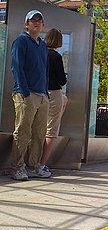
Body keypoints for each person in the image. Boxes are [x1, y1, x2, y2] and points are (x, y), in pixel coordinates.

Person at [10, 10, 51, 180]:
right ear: (26, 24)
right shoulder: (21, 41)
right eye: (32, 20)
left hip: (42, 95)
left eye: (39, 20)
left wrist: (46, 93)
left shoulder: (42, 45)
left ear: (43, 25)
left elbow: (45, 70)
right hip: (25, 94)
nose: (36, 23)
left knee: (39, 133)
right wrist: (25, 92)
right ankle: (17, 168)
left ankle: (34, 166)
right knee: (23, 132)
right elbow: (16, 68)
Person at [40, 28, 68, 173]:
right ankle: (41, 165)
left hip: (39, 93)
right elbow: (62, 80)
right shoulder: (55, 56)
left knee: (39, 128)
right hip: (53, 94)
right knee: (51, 131)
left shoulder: (39, 53)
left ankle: (32, 160)